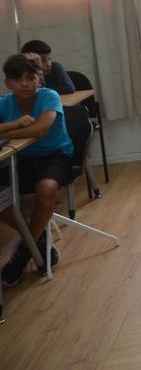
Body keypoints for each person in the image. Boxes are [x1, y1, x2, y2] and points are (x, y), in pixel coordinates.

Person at [0, 54, 72, 285]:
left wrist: (6, 131)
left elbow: (41, 129)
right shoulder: (4, 103)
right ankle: (37, 239)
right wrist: (14, 124)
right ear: (7, 83)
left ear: (39, 79)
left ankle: (23, 254)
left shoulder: (49, 96)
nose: (24, 84)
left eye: (30, 77)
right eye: (17, 79)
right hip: (20, 159)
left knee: (46, 189)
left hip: (55, 155)